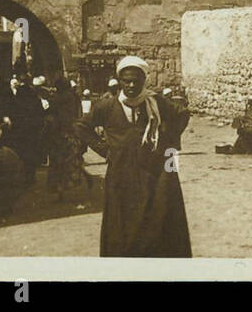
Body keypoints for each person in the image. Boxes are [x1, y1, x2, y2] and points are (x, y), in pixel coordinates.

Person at [76, 56, 191, 257]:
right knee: (121, 222)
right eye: (126, 80)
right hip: (121, 173)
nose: (130, 85)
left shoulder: (156, 102)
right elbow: (81, 126)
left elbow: (182, 114)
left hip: (151, 171)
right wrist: (103, 149)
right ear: (119, 81)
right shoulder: (107, 106)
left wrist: (167, 141)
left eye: (135, 81)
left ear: (143, 80)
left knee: (155, 217)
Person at [45, 77, 89, 201]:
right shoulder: (73, 97)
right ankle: (64, 188)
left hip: (60, 133)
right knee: (71, 160)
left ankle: (60, 190)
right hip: (70, 132)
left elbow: (51, 111)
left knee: (60, 162)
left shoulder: (59, 99)